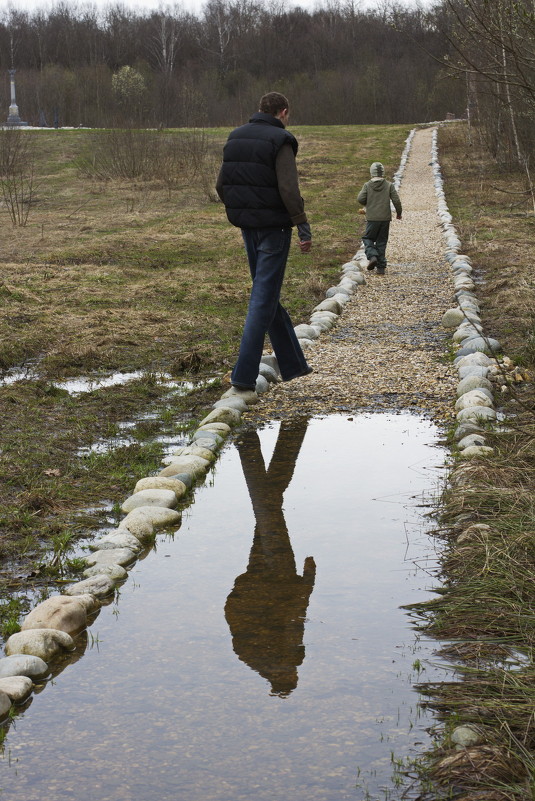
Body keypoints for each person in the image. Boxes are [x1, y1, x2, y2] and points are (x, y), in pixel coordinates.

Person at [216, 92, 313, 391]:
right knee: (262, 300)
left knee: (266, 294)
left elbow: (222, 184)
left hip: (248, 227)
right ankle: (243, 375)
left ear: (260, 109)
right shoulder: (280, 140)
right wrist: (302, 224)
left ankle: (293, 364)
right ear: (283, 112)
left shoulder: (235, 137)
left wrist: (242, 211)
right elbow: (288, 187)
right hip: (274, 230)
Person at [357, 162, 402, 275]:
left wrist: (368, 201)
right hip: (385, 219)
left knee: (368, 238)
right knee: (382, 242)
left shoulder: (367, 185)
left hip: (372, 218)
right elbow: (396, 200)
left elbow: (360, 199)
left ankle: (372, 256)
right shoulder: (388, 185)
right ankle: (381, 267)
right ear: (383, 173)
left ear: (371, 173)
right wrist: (399, 213)